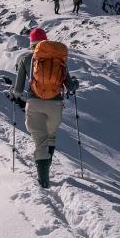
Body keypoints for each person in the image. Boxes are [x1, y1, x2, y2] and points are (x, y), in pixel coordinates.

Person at [10, 28, 79, 188]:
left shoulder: (26, 58)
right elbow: (70, 86)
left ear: (31, 43)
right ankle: (45, 169)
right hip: (55, 105)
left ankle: (43, 180)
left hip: (34, 104)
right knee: (51, 137)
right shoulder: (58, 58)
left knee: (40, 142)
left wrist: (12, 90)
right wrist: (75, 83)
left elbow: (18, 89)